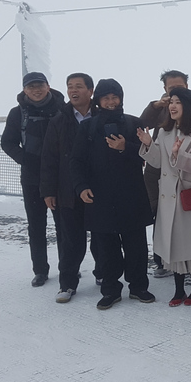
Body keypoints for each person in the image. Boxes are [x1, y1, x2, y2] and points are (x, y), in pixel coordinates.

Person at [71, 79, 155, 310]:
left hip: (132, 195)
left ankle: (138, 287)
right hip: (100, 197)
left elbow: (148, 156)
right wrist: (81, 186)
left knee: (136, 246)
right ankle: (110, 289)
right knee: (106, 248)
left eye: (114, 97)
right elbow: (76, 161)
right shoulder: (87, 127)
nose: (110, 102)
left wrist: (125, 148)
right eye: (105, 97)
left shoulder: (133, 123)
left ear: (121, 99)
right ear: (98, 100)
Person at [138, 87, 191, 307]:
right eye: (171, 101)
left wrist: (177, 154)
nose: (172, 106)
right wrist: (148, 144)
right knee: (175, 245)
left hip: (189, 195)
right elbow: (157, 162)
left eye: (177, 102)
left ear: (188, 106)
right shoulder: (164, 131)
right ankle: (179, 289)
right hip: (168, 197)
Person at [40, 72, 102, 302]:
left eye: (78, 86)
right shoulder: (59, 120)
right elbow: (49, 158)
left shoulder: (101, 115)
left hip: (98, 188)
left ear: (90, 91)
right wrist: (47, 191)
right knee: (70, 240)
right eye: (69, 87)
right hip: (67, 190)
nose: (73, 91)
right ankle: (67, 284)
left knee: (101, 235)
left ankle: (103, 274)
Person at [2, 72, 65, 287]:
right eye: (31, 87)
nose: (36, 90)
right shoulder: (17, 113)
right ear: (24, 90)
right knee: (36, 225)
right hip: (32, 178)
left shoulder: (62, 109)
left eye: (40, 85)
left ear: (48, 86)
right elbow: (7, 143)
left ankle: (68, 267)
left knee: (64, 225)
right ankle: (40, 270)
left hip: (60, 176)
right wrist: (26, 160)